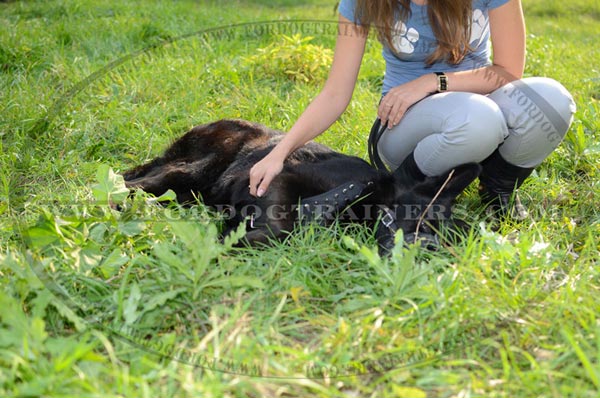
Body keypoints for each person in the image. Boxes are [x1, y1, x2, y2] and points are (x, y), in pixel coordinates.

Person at [249, 0, 576, 223]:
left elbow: (508, 71)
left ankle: (497, 190)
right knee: (479, 119)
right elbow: (335, 93)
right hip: (405, 129)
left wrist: (434, 81)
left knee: (552, 100)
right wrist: (280, 152)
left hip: (476, 103)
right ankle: (405, 194)